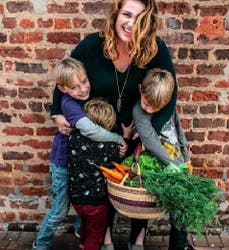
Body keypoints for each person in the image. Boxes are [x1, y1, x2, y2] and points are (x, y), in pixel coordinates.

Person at [49, 0, 178, 249]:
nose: (130, 24)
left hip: (137, 130)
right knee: (101, 184)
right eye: (126, 15)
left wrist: (151, 130)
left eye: (139, 18)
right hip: (100, 133)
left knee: (143, 185)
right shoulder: (92, 45)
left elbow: (171, 94)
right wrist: (57, 112)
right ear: (116, 14)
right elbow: (64, 80)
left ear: (148, 22)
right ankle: (106, 238)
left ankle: (137, 239)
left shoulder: (155, 49)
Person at [33, 58, 128, 250]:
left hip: (77, 161)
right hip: (62, 162)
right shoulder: (69, 103)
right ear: (63, 89)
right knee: (60, 209)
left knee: (81, 198)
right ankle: (41, 244)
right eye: (75, 87)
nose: (83, 89)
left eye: (84, 82)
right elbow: (90, 130)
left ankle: (81, 234)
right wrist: (118, 139)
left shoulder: (83, 96)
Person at [133, 68, 193, 250]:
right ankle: (135, 241)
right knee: (143, 203)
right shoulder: (139, 111)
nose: (148, 108)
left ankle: (179, 246)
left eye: (154, 107)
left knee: (182, 205)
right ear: (140, 89)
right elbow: (151, 141)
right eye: (146, 103)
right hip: (156, 164)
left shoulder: (168, 106)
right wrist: (170, 164)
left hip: (176, 160)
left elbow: (178, 130)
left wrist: (186, 157)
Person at [68, 98, 126, 250]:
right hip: (97, 201)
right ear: (107, 124)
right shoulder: (110, 146)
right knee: (95, 236)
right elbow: (117, 161)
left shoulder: (73, 138)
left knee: (85, 224)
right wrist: (124, 137)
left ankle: (82, 244)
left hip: (76, 197)